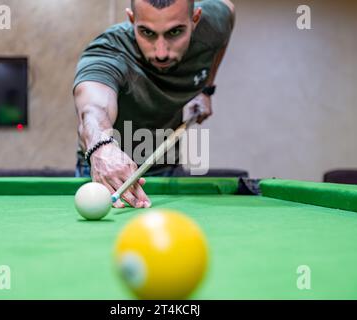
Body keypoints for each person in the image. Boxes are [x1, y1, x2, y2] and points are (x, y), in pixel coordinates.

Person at [73, 0, 235, 208]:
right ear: (132, 20)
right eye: (147, 33)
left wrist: (206, 89)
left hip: (166, 164)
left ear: (195, 19)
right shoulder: (110, 51)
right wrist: (101, 146)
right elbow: (93, 108)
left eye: (175, 32)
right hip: (104, 169)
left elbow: (228, 11)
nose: (161, 52)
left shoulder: (214, 24)